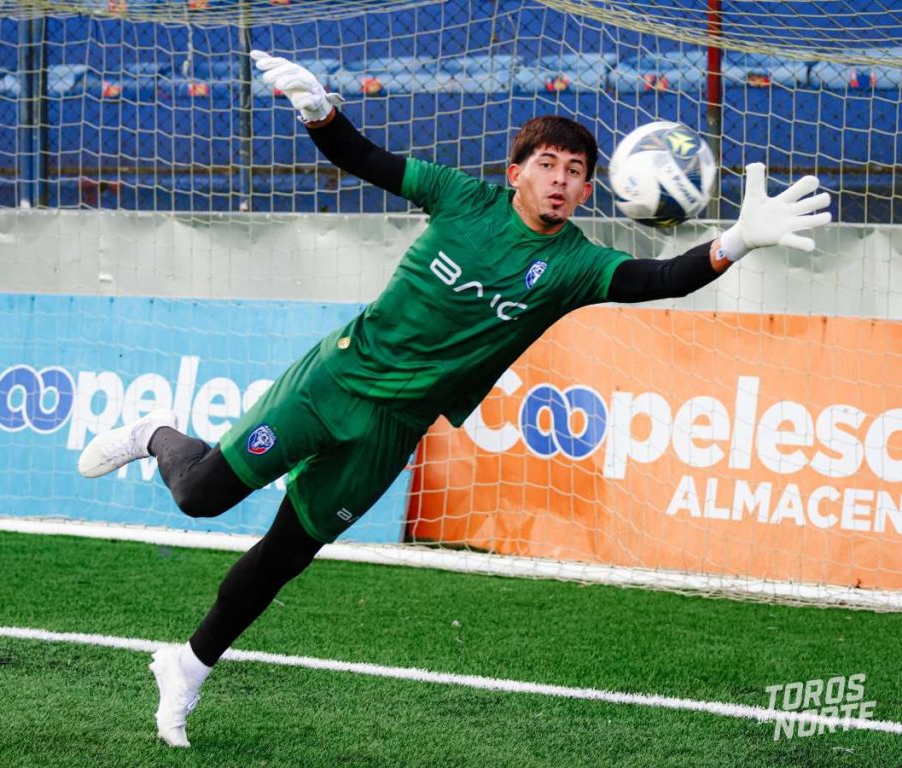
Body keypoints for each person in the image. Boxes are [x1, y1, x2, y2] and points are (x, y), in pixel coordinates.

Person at [77, 50, 832, 747]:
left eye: (577, 170)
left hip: (392, 431)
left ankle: (188, 668)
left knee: (284, 557)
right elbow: (363, 159)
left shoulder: (573, 264)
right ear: (515, 173)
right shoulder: (460, 198)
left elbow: (658, 281)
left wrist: (736, 242)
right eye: (548, 164)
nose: (563, 179)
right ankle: (155, 433)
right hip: (335, 381)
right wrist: (319, 111)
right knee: (203, 495)